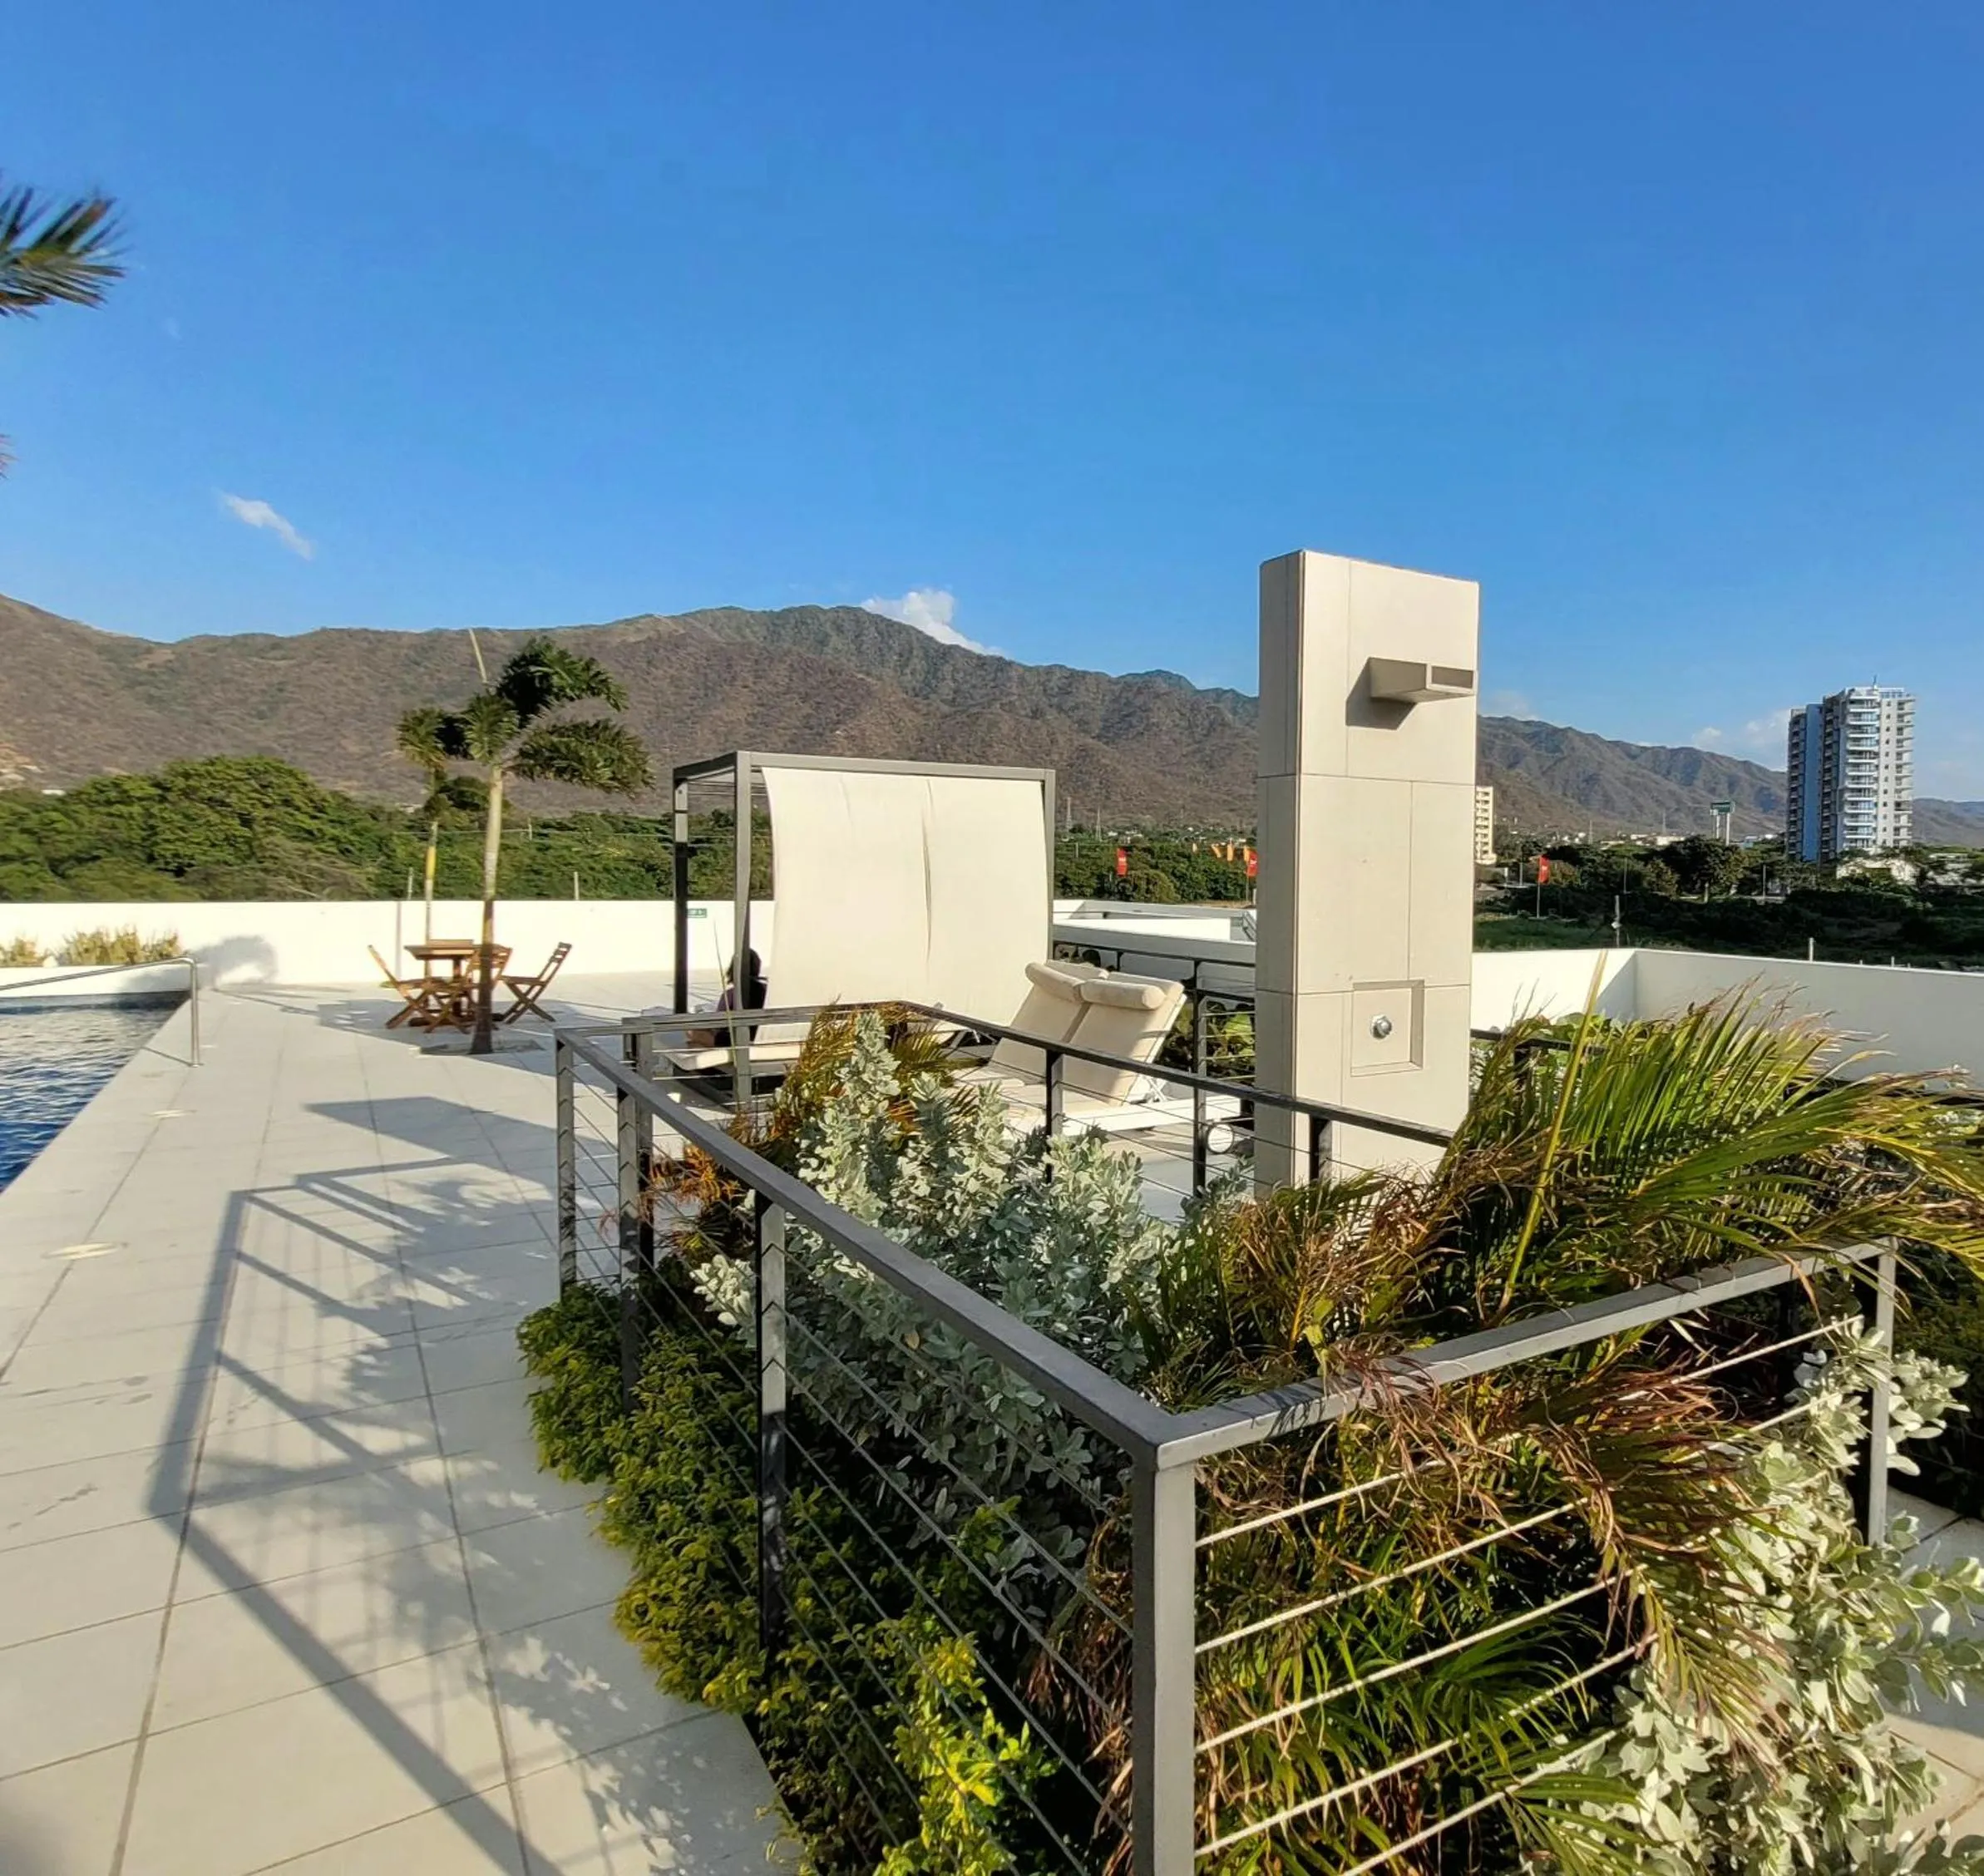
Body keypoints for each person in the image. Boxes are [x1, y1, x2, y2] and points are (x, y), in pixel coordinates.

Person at [688, 946, 766, 1047]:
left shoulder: (731, 994)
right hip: (761, 1037)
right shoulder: (766, 990)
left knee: (693, 1032)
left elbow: (719, 1024)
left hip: (737, 1041)